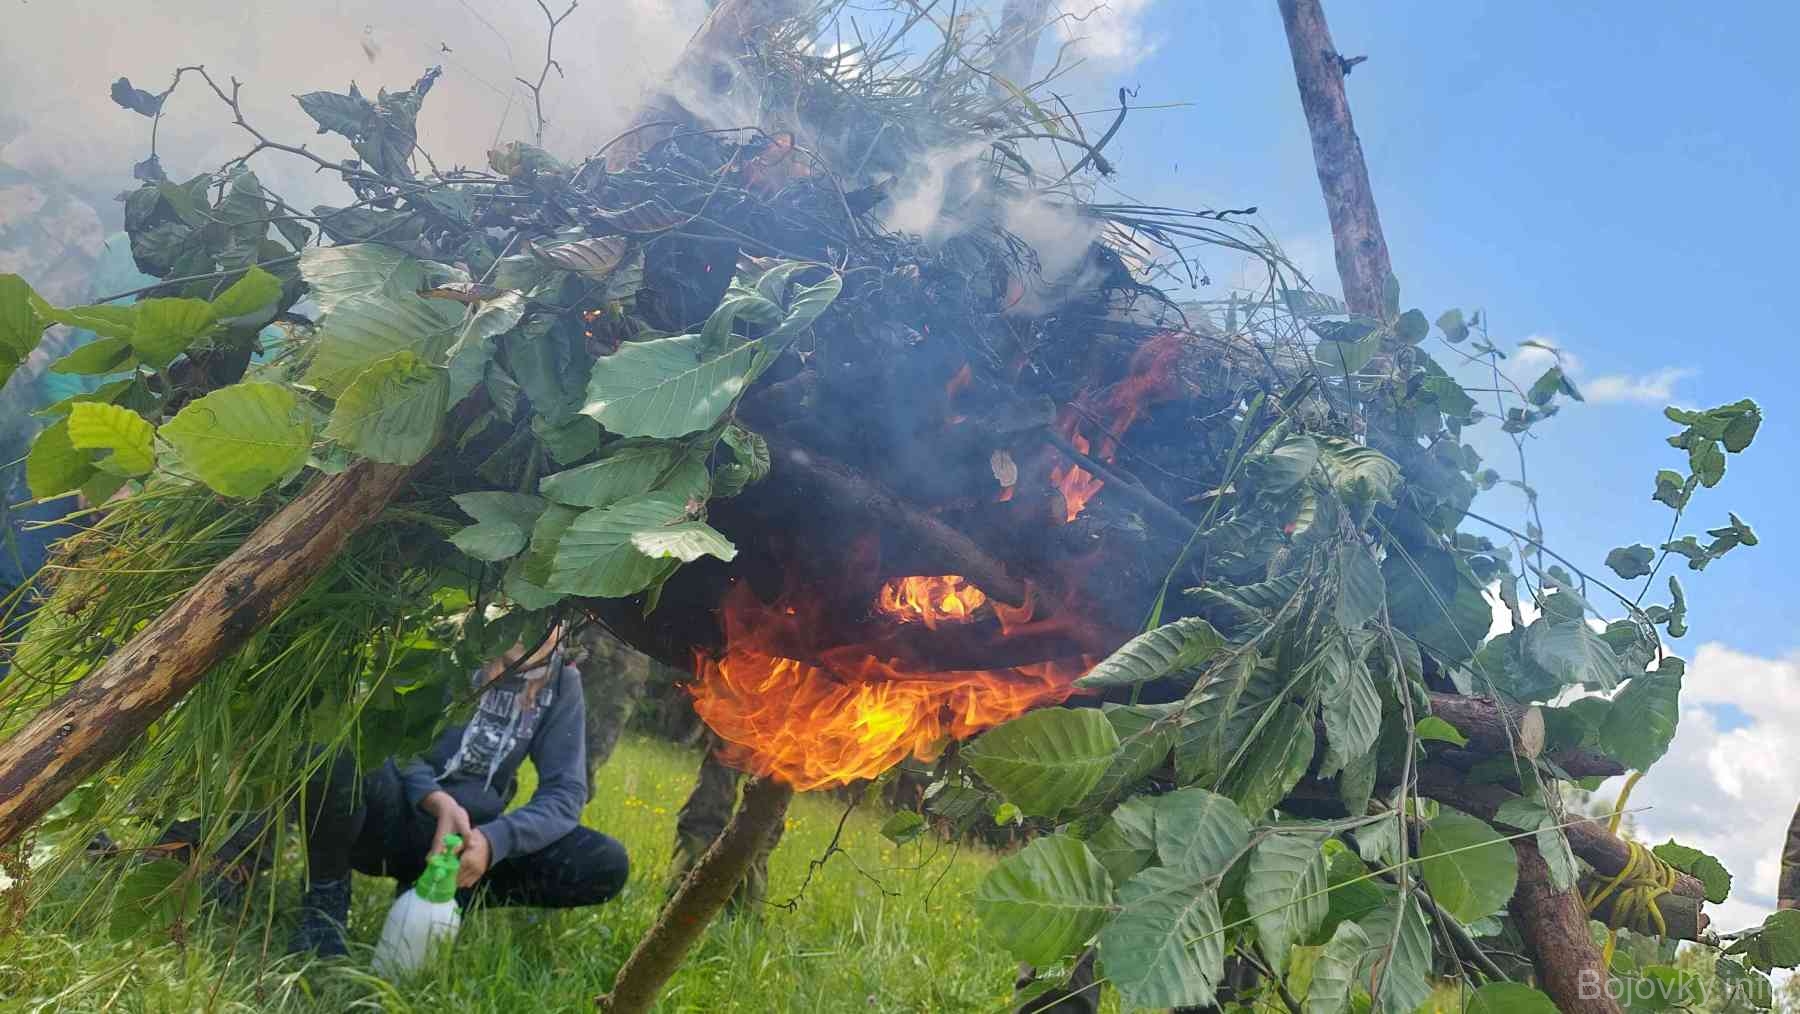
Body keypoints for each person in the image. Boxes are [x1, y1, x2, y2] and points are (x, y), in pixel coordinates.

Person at [292, 623, 630, 956]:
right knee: (332, 752)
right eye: (528, 614)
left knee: (605, 862)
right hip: (399, 817)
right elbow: (389, 738)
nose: (533, 630)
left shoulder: (562, 680)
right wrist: (435, 799)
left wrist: (494, 841)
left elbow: (565, 793)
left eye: (550, 620)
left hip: (470, 841)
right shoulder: (447, 639)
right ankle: (325, 903)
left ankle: (452, 895)